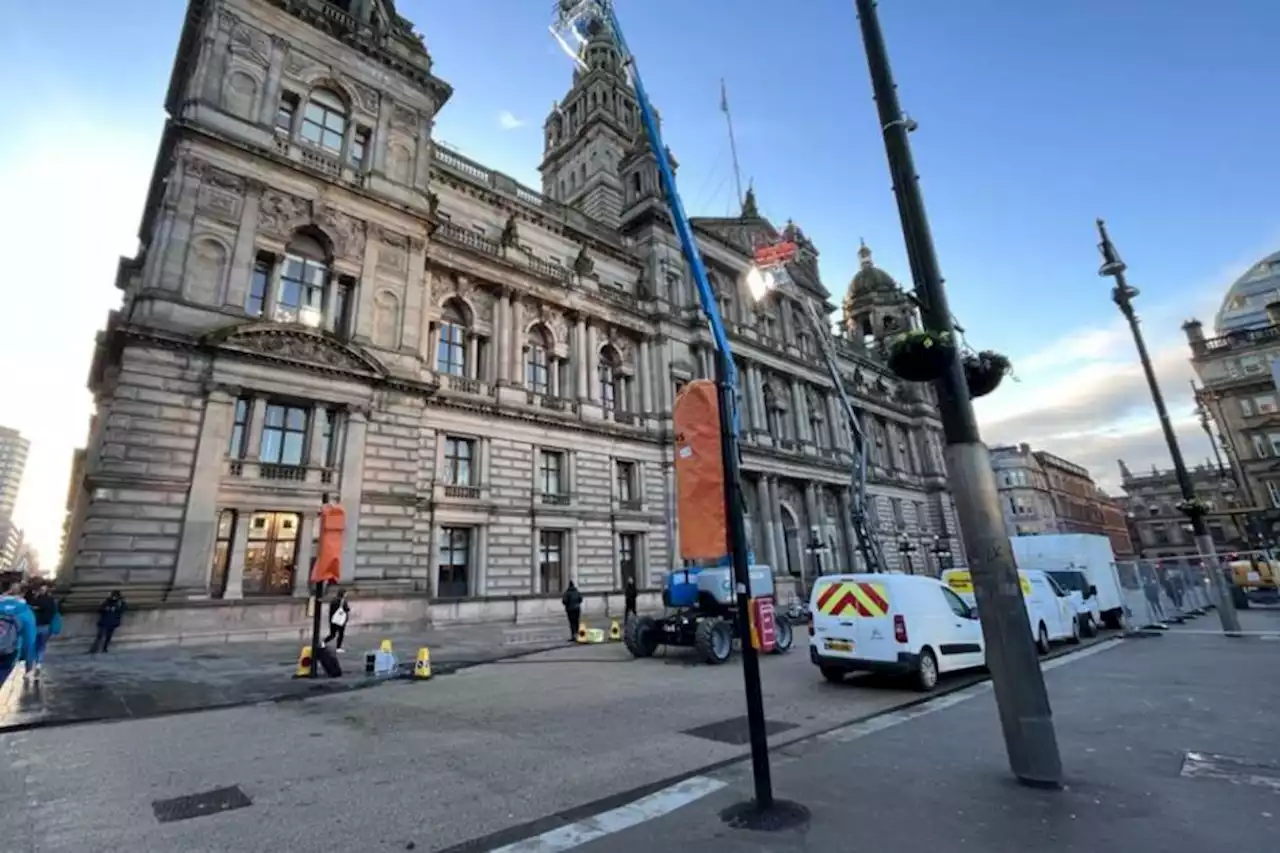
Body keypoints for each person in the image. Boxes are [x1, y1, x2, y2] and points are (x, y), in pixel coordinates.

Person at [0, 581, 37, 688]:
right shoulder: (25, 611)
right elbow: (30, 641)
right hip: (9, 650)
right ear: (22, 594)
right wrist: (28, 665)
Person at [24, 581, 60, 681]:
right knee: (41, 646)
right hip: (46, 626)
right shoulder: (51, 600)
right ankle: (38, 664)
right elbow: (53, 612)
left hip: (34, 626)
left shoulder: (34, 599)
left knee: (31, 646)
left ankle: (29, 670)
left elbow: (28, 609)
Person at [324, 587, 351, 652]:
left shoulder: (333, 600)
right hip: (341, 620)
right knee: (341, 634)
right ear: (343, 594)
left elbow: (331, 610)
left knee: (332, 634)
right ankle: (338, 648)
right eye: (346, 593)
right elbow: (347, 609)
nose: (346, 594)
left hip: (333, 620)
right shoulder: (343, 601)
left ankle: (323, 642)